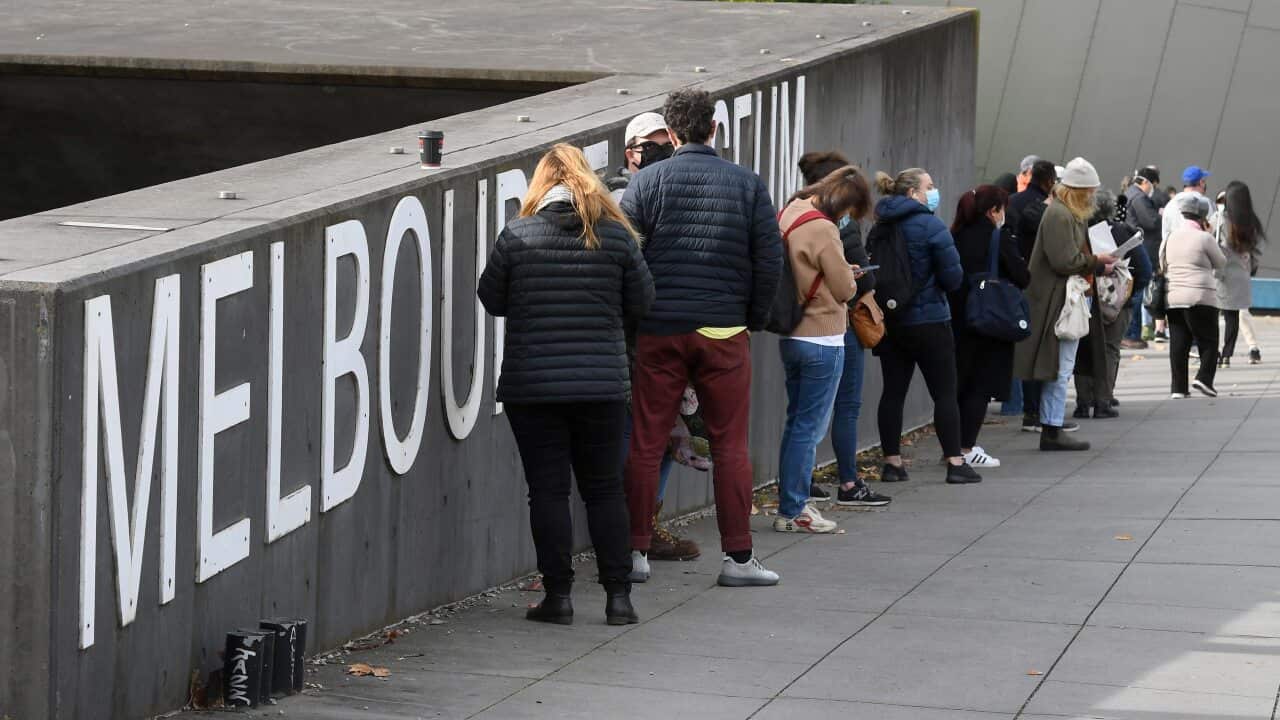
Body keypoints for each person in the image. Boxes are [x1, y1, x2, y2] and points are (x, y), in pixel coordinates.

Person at [478, 143, 654, 626]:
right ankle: (619, 599)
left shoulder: (518, 235)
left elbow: (490, 297)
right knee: (604, 491)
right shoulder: (615, 238)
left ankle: (558, 598)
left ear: (540, 185)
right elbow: (644, 300)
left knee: (548, 492)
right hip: (602, 386)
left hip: (533, 388)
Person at [620, 88, 783, 587]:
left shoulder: (646, 183)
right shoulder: (747, 184)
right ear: (714, 128)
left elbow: (627, 257)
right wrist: (750, 316)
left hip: (660, 329)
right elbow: (769, 259)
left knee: (646, 442)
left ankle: (634, 554)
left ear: (670, 134)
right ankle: (737, 559)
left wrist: (640, 316)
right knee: (730, 445)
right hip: (723, 329)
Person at [609, 112, 703, 563]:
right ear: (631, 152)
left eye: (667, 140)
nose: (662, 149)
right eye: (651, 143)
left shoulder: (673, 192)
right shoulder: (621, 196)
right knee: (639, 438)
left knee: (664, 433)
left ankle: (642, 527)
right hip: (633, 338)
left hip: (665, 333)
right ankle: (634, 532)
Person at [773, 166, 870, 532]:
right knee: (809, 428)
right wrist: (849, 272)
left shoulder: (791, 210)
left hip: (793, 333)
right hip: (823, 336)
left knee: (795, 423)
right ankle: (795, 509)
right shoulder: (825, 228)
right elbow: (845, 290)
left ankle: (789, 504)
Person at [870, 167, 981, 484]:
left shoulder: (880, 226)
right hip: (930, 319)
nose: (934, 191)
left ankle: (892, 463)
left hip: (892, 320)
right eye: (929, 186)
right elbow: (953, 277)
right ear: (912, 193)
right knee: (944, 392)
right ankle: (955, 462)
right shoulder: (932, 225)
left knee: (892, 392)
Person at [796, 152, 891, 508]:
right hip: (837, 324)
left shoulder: (796, 214)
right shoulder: (839, 226)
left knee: (804, 412)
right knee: (845, 405)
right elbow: (857, 281)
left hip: (800, 325)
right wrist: (857, 276)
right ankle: (849, 482)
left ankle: (801, 481)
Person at [1014, 157, 1117, 451]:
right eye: (1090, 192)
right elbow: (1064, 261)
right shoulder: (1060, 215)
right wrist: (1097, 261)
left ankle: (1053, 424)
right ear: (1079, 191)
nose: (1093, 197)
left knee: (1060, 366)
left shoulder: (1065, 212)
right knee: (1060, 367)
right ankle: (1052, 427)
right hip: (1056, 301)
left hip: (1060, 298)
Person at [948, 185, 1030, 468]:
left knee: (958, 385)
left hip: (958, 319)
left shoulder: (954, 235)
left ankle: (952, 448)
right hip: (989, 319)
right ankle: (967, 447)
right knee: (980, 386)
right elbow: (1022, 276)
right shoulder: (998, 237)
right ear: (994, 210)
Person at [1073, 189, 1152, 418]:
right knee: (1109, 350)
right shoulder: (1123, 232)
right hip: (1117, 304)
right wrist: (1127, 295)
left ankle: (1082, 401)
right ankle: (1103, 401)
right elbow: (1144, 271)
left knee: (1084, 348)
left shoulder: (1079, 233)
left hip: (1084, 297)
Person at [1008, 159, 1068, 433]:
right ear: (1049, 181)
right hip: (1040, 284)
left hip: (1015, 279)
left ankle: (1022, 408)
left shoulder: (1013, 202)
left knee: (1022, 346)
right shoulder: (1049, 211)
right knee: (1042, 348)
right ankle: (1039, 413)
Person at [1163, 193, 1226, 397]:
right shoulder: (1204, 238)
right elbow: (1221, 262)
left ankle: (1178, 389)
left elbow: (1161, 263)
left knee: (1178, 343)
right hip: (1201, 296)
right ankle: (1204, 378)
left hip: (1173, 296)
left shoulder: (1170, 237)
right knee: (1209, 340)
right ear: (1202, 217)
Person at [1213, 182, 1266, 367]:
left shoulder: (1222, 219)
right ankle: (1227, 354)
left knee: (1215, 314)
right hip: (1242, 275)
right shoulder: (1251, 222)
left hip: (1222, 273)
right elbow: (1254, 249)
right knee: (1233, 316)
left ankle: (1215, 353)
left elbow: (1216, 243)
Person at [1124, 166, 1163, 348]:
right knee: (1137, 291)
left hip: (1131, 247)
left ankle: (1131, 332)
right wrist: (1161, 215)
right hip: (1140, 248)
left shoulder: (1129, 193)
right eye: (1153, 185)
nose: (1152, 189)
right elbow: (1151, 221)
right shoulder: (1139, 197)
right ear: (1146, 182)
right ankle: (1131, 334)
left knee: (1133, 291)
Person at [607, 112, 673, 201]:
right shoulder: (615, 199)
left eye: (669, 147)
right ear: (630, 155)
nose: (661, 154)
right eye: (650, 147)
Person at [1163, 166, 1212, 243]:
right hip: (1195, 251)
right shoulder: (1204, 202)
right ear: (1201, 182)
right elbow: (1211, 232)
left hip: (1172, 252)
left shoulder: (1170, 204)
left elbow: (1165, 235)